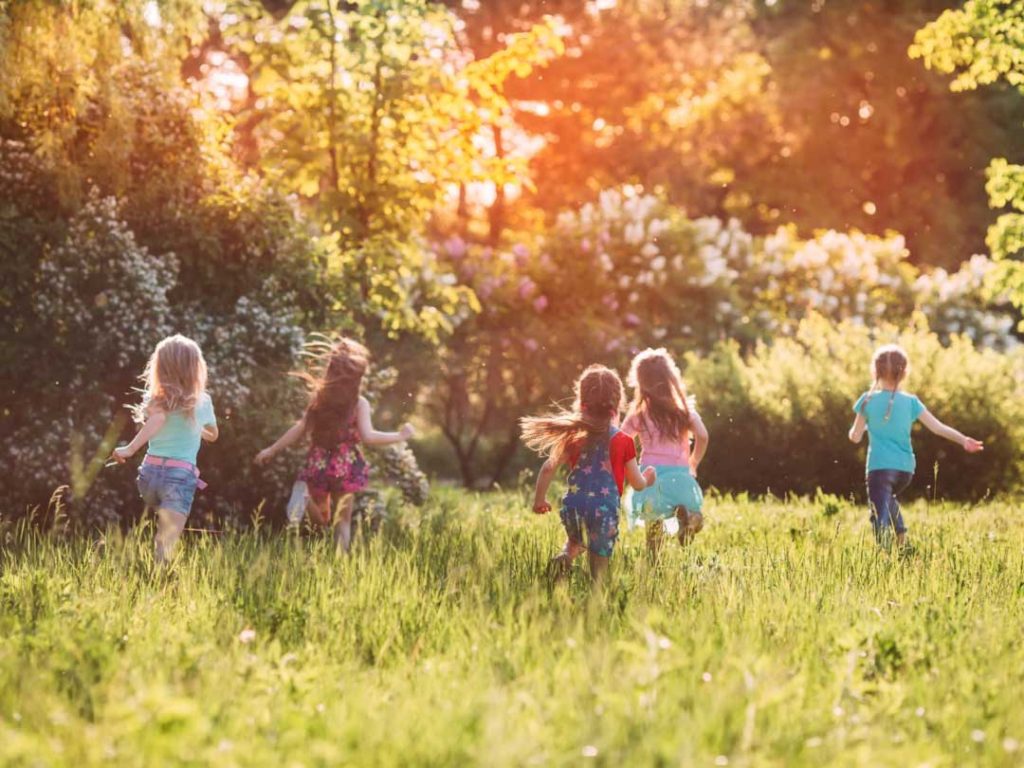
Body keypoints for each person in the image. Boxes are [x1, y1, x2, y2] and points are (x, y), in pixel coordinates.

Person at [254, 337, 414, 552]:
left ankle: (305, 499)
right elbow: (368, 436)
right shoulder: (359, 403)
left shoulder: (320, 399)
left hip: (319, 462)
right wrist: (399, 435)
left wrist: (272, 449)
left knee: (321, 519)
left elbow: (300, 428)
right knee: (342, 521)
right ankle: (340, 563)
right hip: (345, 466)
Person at [521, 364, 656, 585]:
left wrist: (539, 500)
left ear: (582, 401)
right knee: (599, 563)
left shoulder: (575, 436)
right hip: (604, 508)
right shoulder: (623, 440)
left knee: (575, 543)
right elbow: (638, 484)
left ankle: (564, 559)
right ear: (617, 404)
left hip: (574, 505)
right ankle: (596, 598)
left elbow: (547, 468)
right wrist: (649, 477)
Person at [848, 344, 983, 548]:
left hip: (878, 469)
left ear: (875, 371)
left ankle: (884, 558)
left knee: (879, 516)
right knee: (887, 497)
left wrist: (863, 428)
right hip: (905, 470)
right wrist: (964, 440)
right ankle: (901, 534)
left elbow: (855, 437)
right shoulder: (911, 402)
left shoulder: (866, 401)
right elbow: (938, 428)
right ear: (904, 373)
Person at [112, 335, 218, 565]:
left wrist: (131, 449)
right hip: (179, 477)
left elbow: (157, 420)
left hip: (149, 476)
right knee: (166, 541)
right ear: (196, 368)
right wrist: (196, 428)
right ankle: (160, 579)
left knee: (161, 515)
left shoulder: (155, 398)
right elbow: (213, 435)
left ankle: (153, 568)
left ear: (159, 367)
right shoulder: (203, 401)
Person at [621, 348, 709, 557]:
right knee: (698, 516)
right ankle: (689, 519)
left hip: (649, 477)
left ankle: (655, 566)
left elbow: (622, 440)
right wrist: (693, 461)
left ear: (641, 383)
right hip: (680, 475)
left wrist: (627, 468)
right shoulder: (684, 412)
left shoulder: (639, 414)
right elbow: (703, 436)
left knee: (654, 527)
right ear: (671, 377)